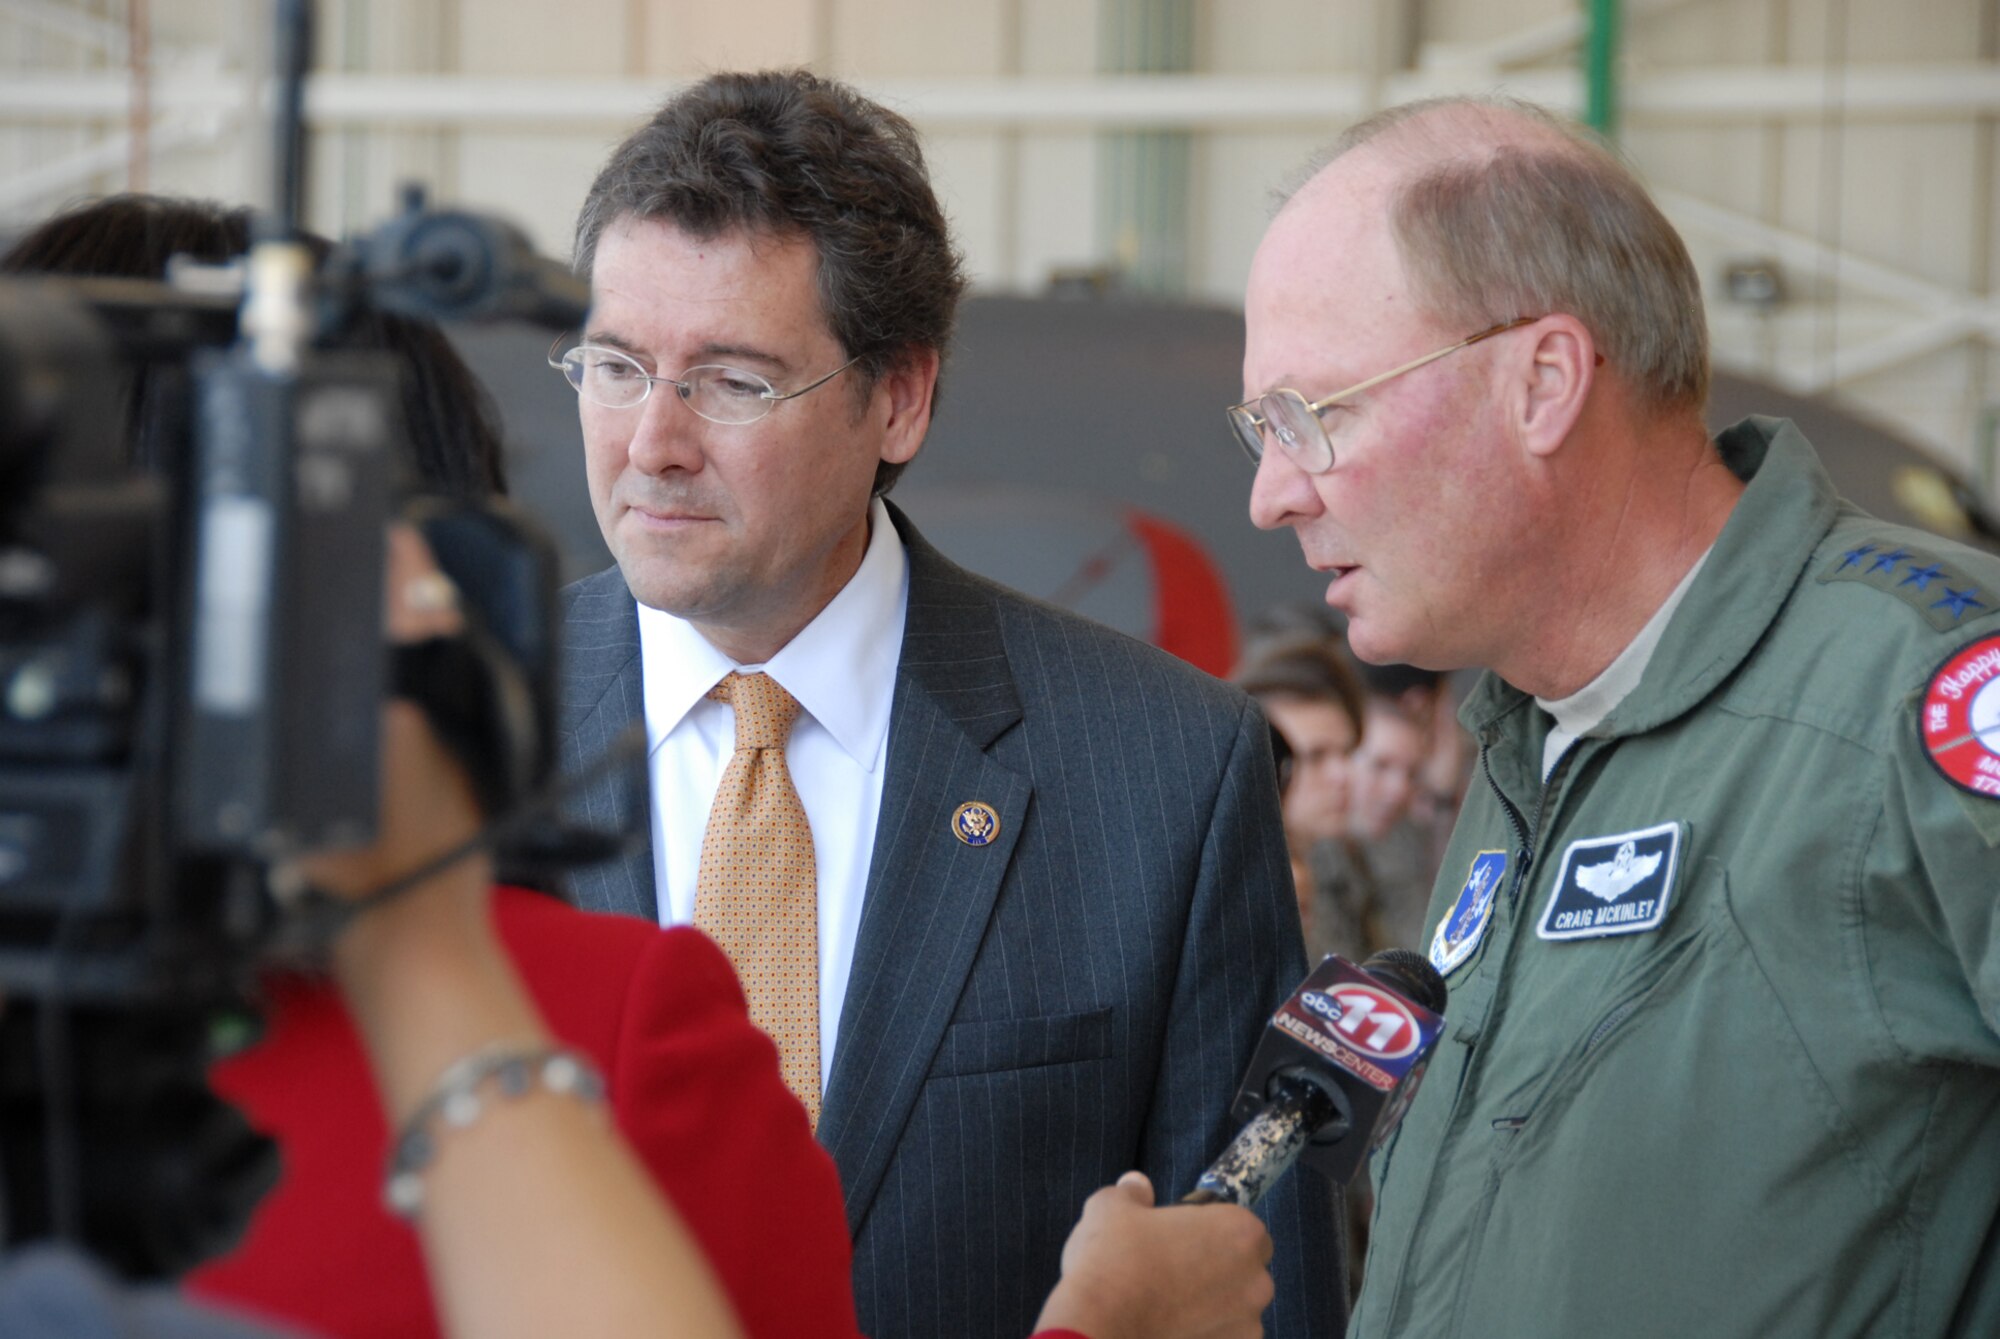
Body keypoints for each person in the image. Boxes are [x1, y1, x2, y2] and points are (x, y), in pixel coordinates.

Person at [555, 69, 1336, 1338]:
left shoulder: (1160, 772)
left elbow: (1251, 1290)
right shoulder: (448, 751)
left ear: (899, 398)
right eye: (614, 365)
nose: (651, 440)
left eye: (732, 382)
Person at [1238, 93, 2000, 1338]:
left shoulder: (1923, 695)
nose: (1272, 492)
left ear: (1541, 382)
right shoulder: (1527, 741)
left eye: (1311, 415)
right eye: (1260, 428)